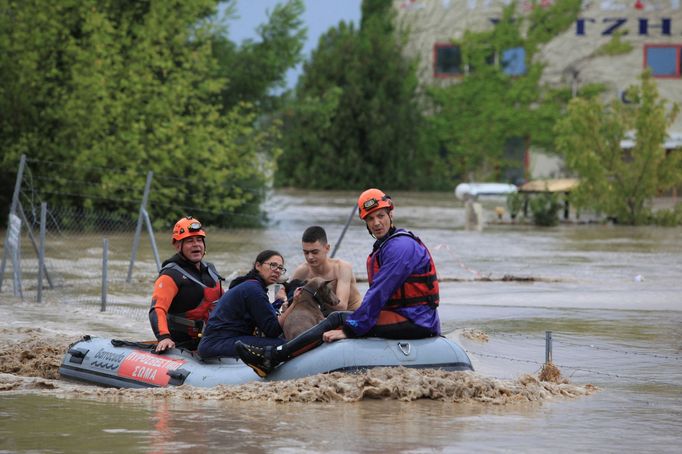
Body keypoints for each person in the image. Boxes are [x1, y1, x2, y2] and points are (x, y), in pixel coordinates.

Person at [236, 188, 441, 377]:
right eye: (370, 218)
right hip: (406, 316)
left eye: (380, 215)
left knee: (338, 319)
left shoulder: (400, 247)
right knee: (339, 318)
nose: (376, 222)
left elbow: (379, 292)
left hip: (416, 321)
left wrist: (351, 329)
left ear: (391, 214)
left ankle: (273, 357)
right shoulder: (386, 245)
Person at [149, 216, 224, 352]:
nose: (196, 244)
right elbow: (157, 309)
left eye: (199, 240)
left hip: (211, 339)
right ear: (178, 245)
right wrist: (164, 337)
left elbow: (224, 304)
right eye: (189, 241)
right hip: (181, 345)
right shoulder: (170, 274)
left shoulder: (211, 270)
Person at [197, 250, 288, 358]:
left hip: (218, 341)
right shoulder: (253, 289)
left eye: (280, 268)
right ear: (258, 266)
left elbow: (264, 316)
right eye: (273, 265)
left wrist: (279, 303)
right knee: (285, 345)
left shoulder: (248, 285)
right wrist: (294, 304)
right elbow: (273, 330)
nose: (277, 271)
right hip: (219, 343)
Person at [290, 225, 362, 312]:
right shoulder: (302, 271)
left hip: (352, 315)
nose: (310, 257)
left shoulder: (342, 267)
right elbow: (289, 299)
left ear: (327, 248)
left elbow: (342, 307)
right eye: (306, 252)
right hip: (321, 317)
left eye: (315, 252)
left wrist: (312, 296)